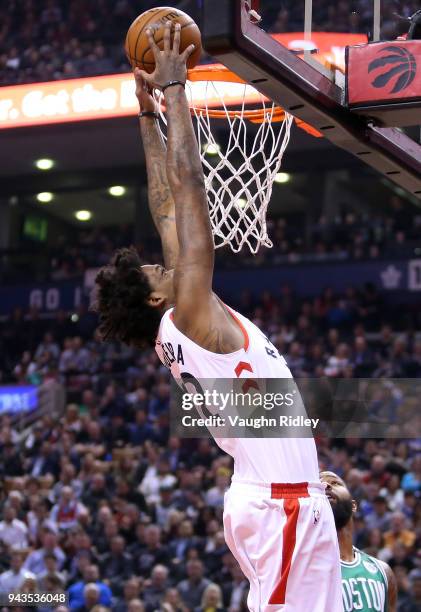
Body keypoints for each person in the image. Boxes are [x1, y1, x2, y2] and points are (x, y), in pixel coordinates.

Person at [94, 21, 342, 612]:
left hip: (282, 498)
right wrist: (177, 94)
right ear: (158, 298)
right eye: (158, 270)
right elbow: (186, 198)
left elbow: (162, 207)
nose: (167, 260)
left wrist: (147, 112)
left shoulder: (182, 323)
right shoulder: (191, 317)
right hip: (280, 506)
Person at [321, 471, 397, 612]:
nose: (325, 486)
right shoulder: (307, 568)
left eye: (335, 483)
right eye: (319, 486)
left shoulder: (383, 572)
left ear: (353, 505)